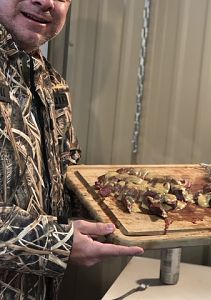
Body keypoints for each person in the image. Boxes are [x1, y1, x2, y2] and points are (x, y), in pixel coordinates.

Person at [0, 0, 144, 299]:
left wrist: (138, 201)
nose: (47, 2)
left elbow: (63, 182)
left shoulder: (50, 81)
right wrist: (56, 244)